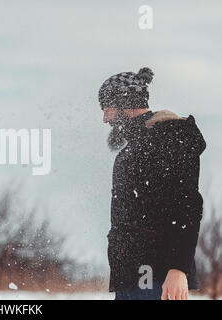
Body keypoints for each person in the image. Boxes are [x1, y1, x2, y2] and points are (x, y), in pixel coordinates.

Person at [98, 67, 206, 300]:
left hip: (157, 278)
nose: (105, 118)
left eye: (107, 108)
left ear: (125, 105)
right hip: (131, 278)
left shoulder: (167, 138)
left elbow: (187, 205)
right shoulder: (131, 149)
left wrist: (178, 269)